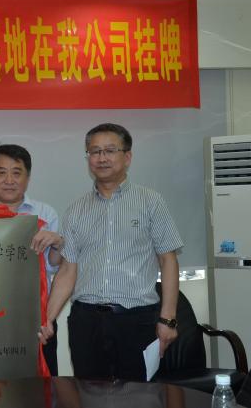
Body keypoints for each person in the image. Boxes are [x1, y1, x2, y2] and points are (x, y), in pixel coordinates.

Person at [39, 123, 183, 381]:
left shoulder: (151, 202)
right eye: (94, 152)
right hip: (86, 322)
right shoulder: (76, 210)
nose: (101, 158)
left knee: (140, 396)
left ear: (127, 157)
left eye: (109, 150)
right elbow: (68, 270)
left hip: (136, 320)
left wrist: (168, 319)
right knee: (89, 394)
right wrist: (48, 318)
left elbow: (168, 260)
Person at [0, 144, 63, 376]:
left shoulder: (45, 213)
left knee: (39, 387)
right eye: (2, 172)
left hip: (36, 319)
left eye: (17, 173)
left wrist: (58, 242)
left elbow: (53, 266)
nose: (9, 180)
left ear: (27, 177)